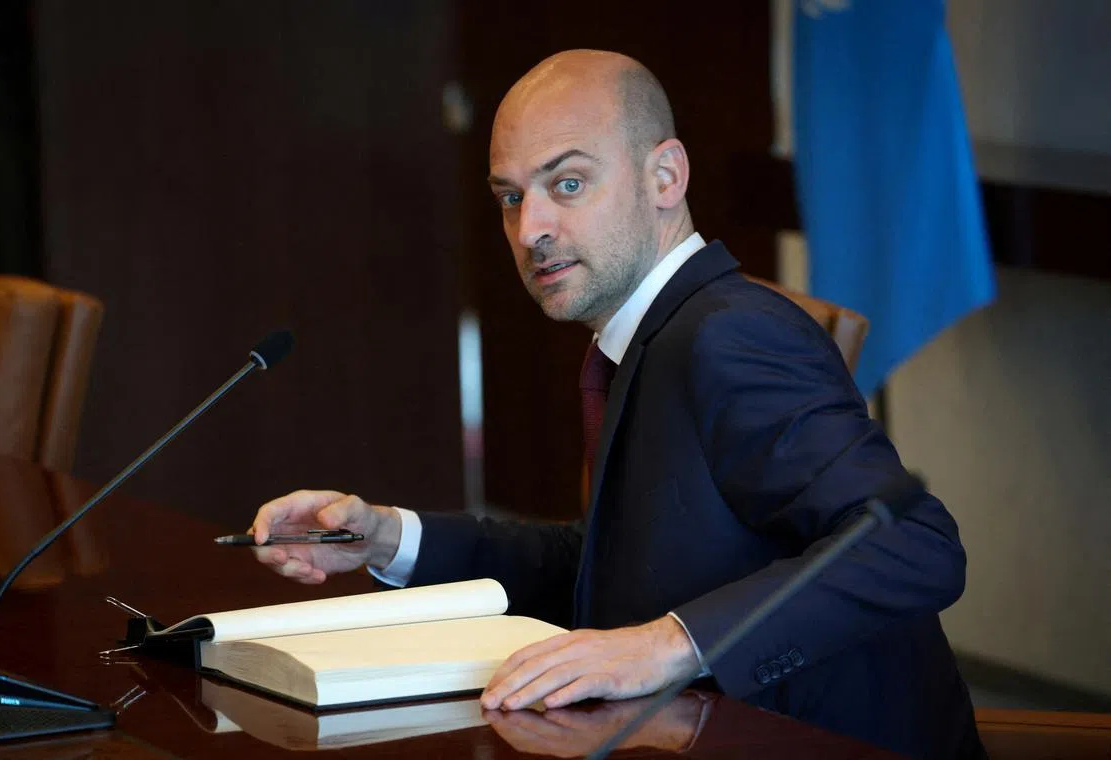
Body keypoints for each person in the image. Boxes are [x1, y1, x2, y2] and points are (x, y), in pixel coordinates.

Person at [250, 50, 985, 758]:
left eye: (566, 184)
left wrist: (666, 644)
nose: (530, 228)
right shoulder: (651, 336)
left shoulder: (733, 335)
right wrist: (385, 540)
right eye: (510, 196)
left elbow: (912, 544)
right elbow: (602, 560)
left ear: (664, 175)